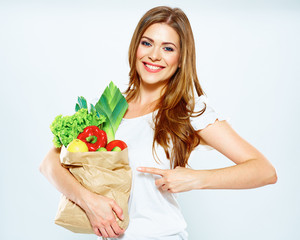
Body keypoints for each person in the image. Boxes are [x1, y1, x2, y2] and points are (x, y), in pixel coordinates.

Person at [40, 6, 277, 240]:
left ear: (181, 59)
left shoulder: (187, 110)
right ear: (135, 47)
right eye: (147, 43)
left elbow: (264, 170)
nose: (154, 55)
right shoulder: (108, 106)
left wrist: (196, 179)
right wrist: (88, 201)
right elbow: (49, 163)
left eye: (168, 48)